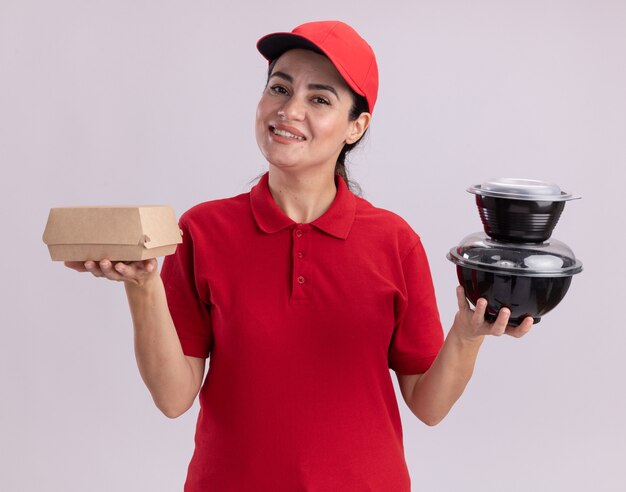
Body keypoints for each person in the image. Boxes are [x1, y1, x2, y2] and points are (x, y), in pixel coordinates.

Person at [65, 20, 533, 491]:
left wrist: (468, 336)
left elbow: (428, 405)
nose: (289, 110)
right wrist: (142, 286)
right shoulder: (202, 231)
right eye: (279, 88)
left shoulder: (394, 241)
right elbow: (172, 397)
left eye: (319, 99)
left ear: (356, 126)